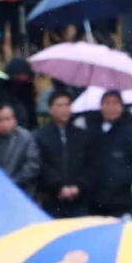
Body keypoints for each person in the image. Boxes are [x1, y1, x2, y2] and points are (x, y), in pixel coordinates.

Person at [36, 89, 91, 219]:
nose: (64, 109)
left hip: (79, 199)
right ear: (50, 109)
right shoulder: (40, 136)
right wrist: (58, 186)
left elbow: (90, 165)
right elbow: (41, 164)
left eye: (67, 105)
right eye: (59, 105)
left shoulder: (82, 135)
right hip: (52, 198)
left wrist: (78, 186)